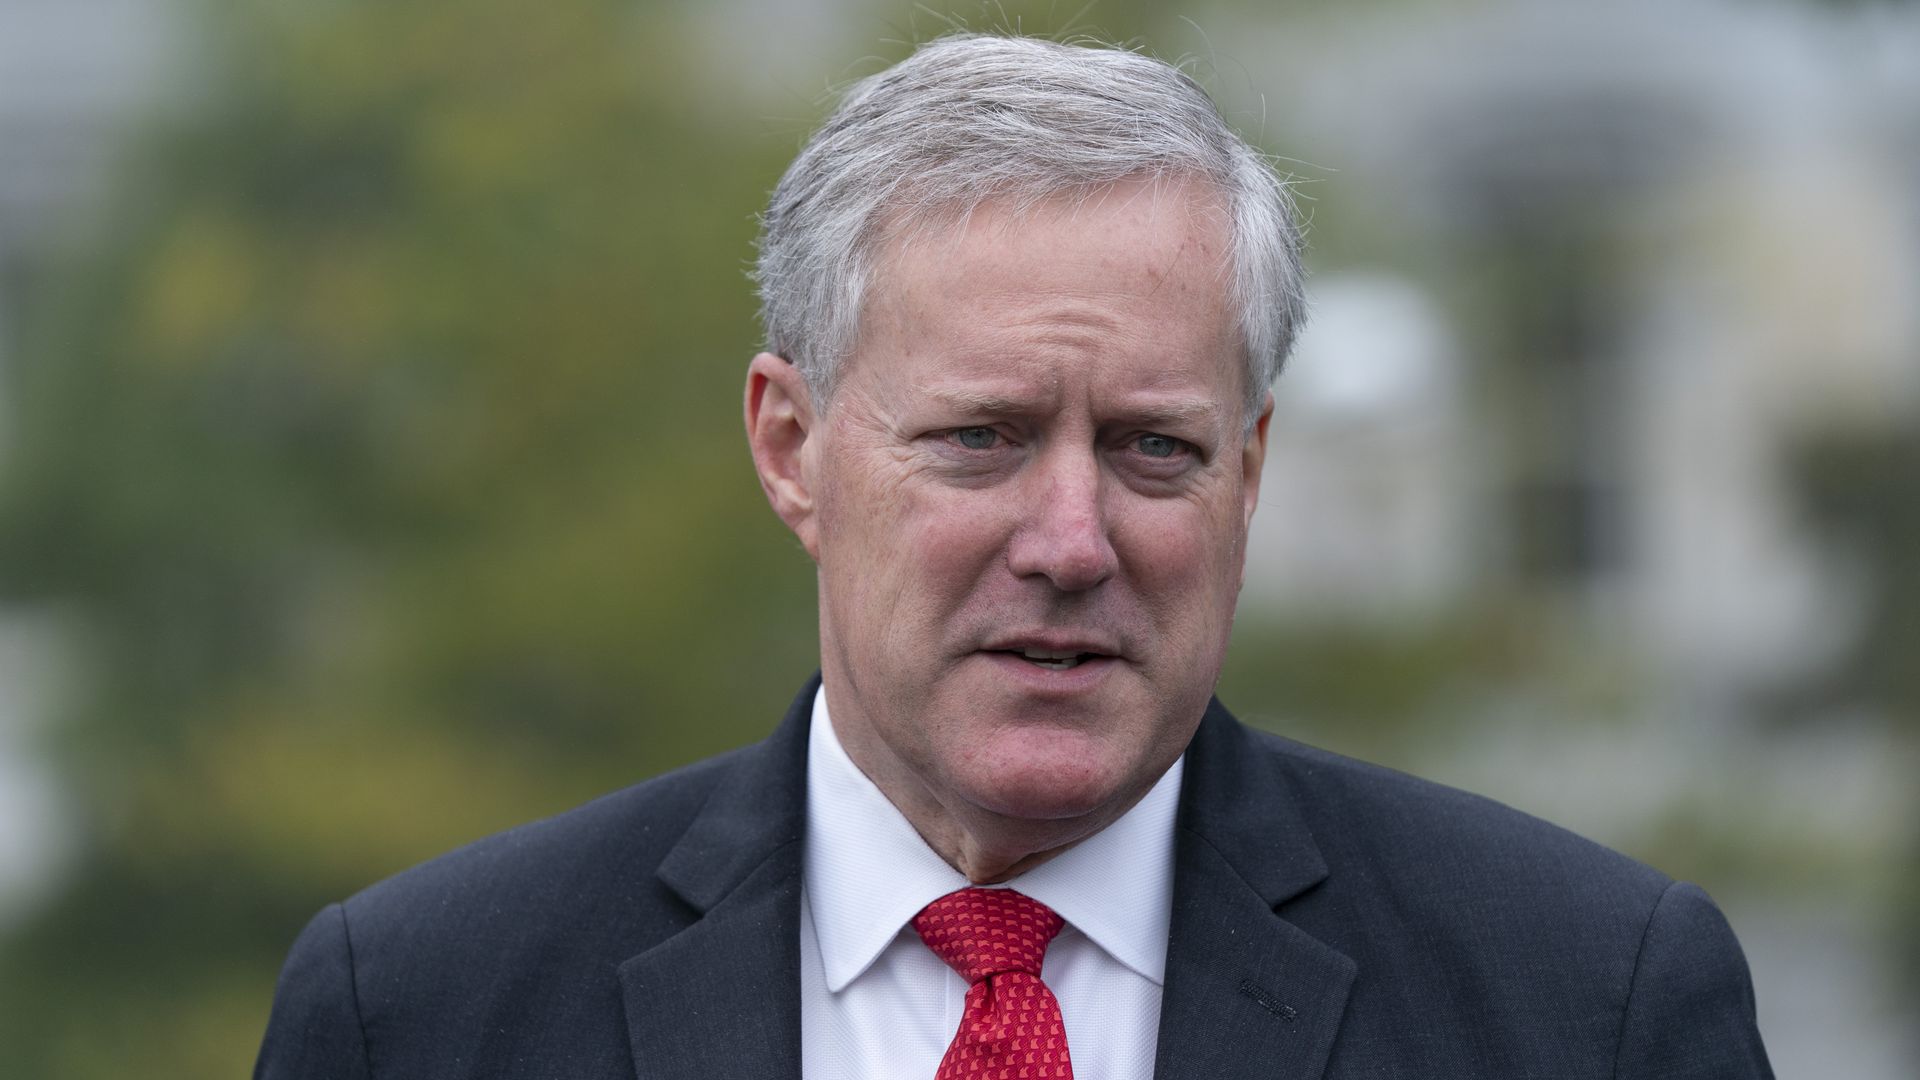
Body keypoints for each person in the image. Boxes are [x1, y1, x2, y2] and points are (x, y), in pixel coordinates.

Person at [254, 33, 1773, 1080]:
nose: (1069, 542)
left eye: (1153, 449)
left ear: (1250, 475)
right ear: (793, 448)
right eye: (981, 438)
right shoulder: (427, 1013)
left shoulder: (1584, 1005)